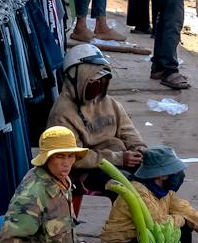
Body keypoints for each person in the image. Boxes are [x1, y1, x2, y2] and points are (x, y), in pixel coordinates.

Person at [50, 42, 146, 196]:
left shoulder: (109, 103)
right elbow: (74, 158)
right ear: (76, 77)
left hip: (117, 160)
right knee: (130, 186)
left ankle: (158, 216)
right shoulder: (62, 114)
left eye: (102, 80)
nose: (99, 85)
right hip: (88, 171)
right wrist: (118, 158)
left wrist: (139, 148)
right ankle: (125, 220)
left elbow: (127, 130)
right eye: (94, 80)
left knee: (167, 173)